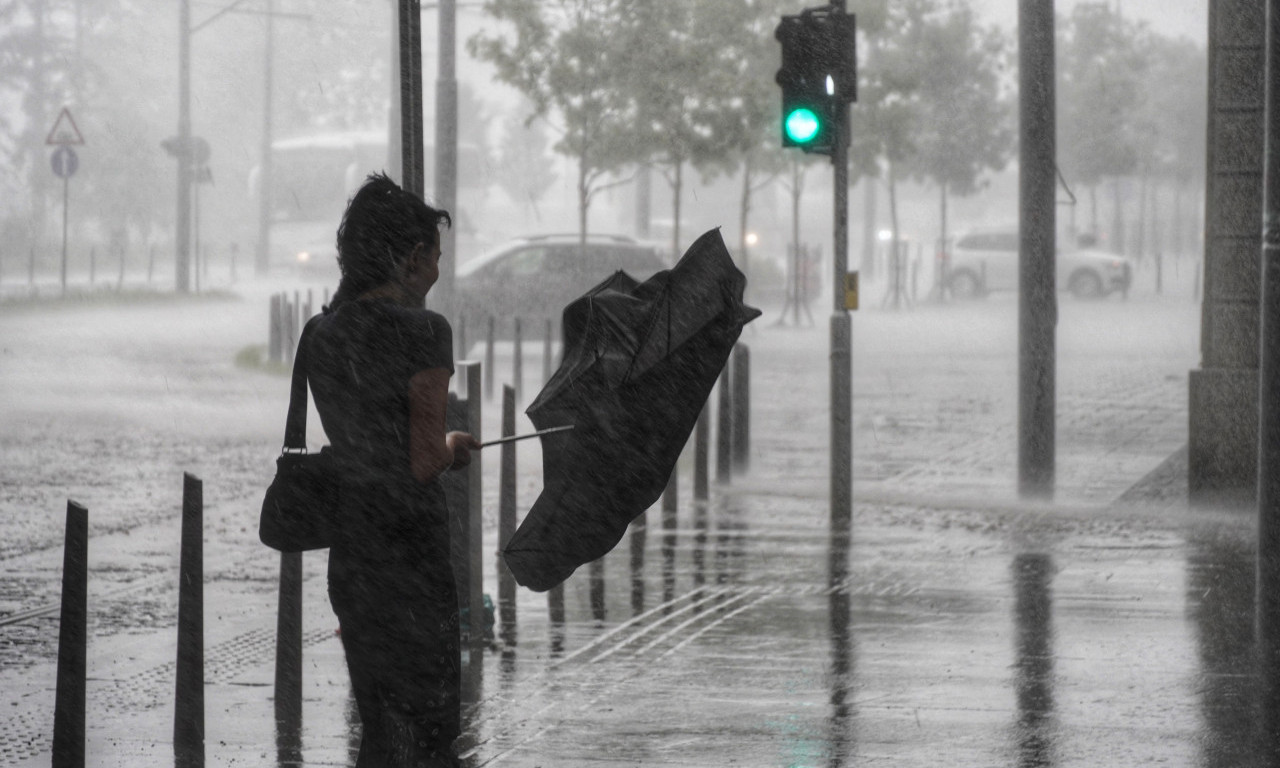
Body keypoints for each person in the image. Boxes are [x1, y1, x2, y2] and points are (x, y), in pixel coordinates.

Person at [307, 172, 481, 767]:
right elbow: (424, 458)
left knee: (378, 723)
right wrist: (454, 443)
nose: (435, 272)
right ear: (410, 259)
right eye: (433, 258)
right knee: (431, 728)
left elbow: (365, 438)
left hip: (354, 552)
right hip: (411, 553)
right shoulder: (424, 331)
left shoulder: (322, 333)